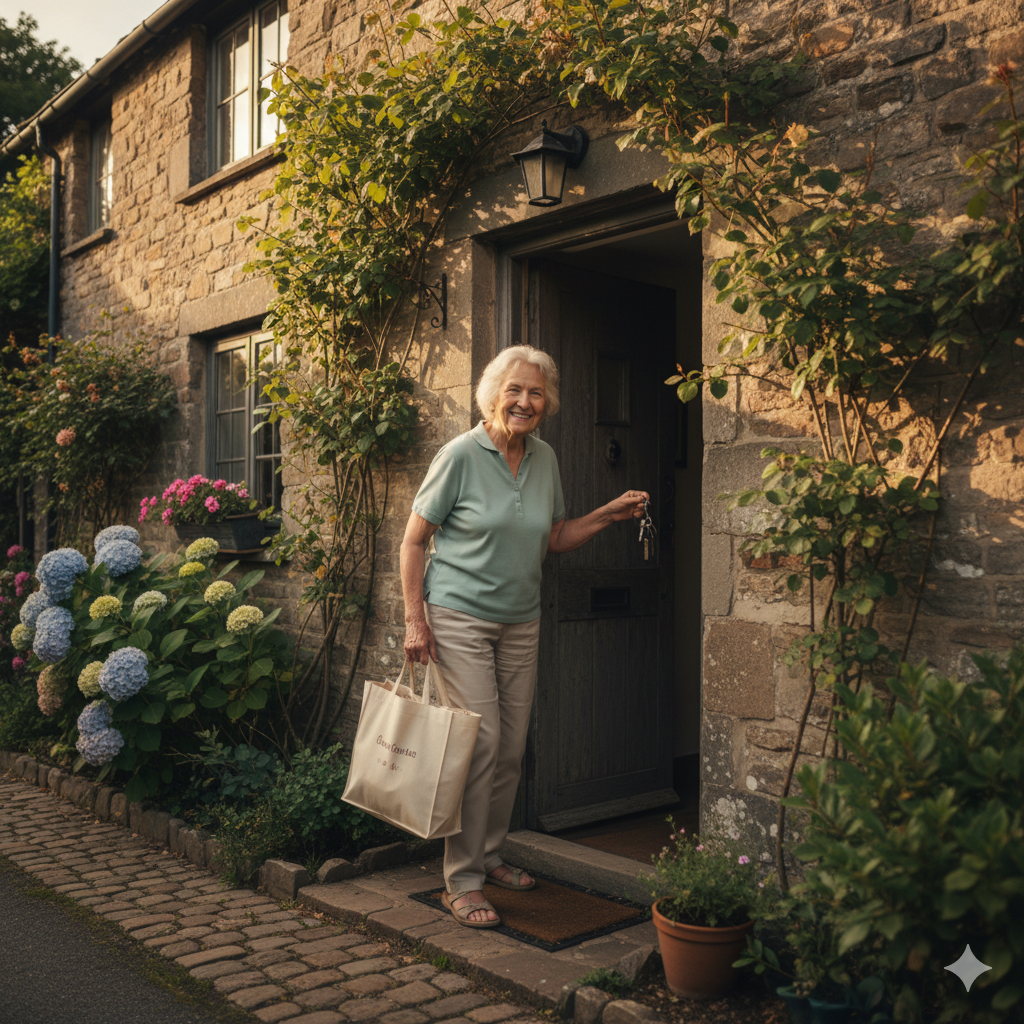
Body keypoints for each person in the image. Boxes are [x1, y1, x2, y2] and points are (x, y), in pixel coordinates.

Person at [400, 344, 649, 928]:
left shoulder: (544, 459)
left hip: (521, 619)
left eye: (536, 393)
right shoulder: (460, 455)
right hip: (458, 617)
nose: (525, 401)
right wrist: (416, 619)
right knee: (478, 746)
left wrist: (608, 514)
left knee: (510, 750)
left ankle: (489, 857)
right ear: (492, 394)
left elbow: (554, 538)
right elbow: (414, 541)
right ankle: (459, 881)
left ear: (547, 404)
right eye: (514, 390)